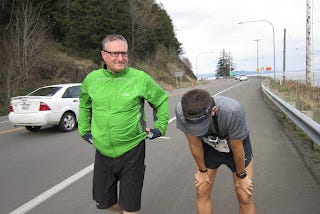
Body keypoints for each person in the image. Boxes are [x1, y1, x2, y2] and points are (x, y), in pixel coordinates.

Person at [78, 34, 169, 214]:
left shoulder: (140, 78)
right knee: (105, 203)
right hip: (103, 150)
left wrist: (160, 127)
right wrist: (84, 130)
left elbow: (161, 100)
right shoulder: (92, 79)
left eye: (124, 53)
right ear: (104, 55)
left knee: (130, 206)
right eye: (115, 53)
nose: (121, 58)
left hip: (132, 149)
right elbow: (84, 104)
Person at [175, 89, 256, 214]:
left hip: (234, 146)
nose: (197, 130)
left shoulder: (232, 111)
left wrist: (241, 176)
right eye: (193, 126)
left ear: (213, 111)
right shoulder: (182, 111)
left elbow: (237, 148)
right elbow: (194, 143)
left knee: (244, 195)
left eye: (201, 125)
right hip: (210, 146)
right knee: (202, 189)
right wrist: (202, 171)